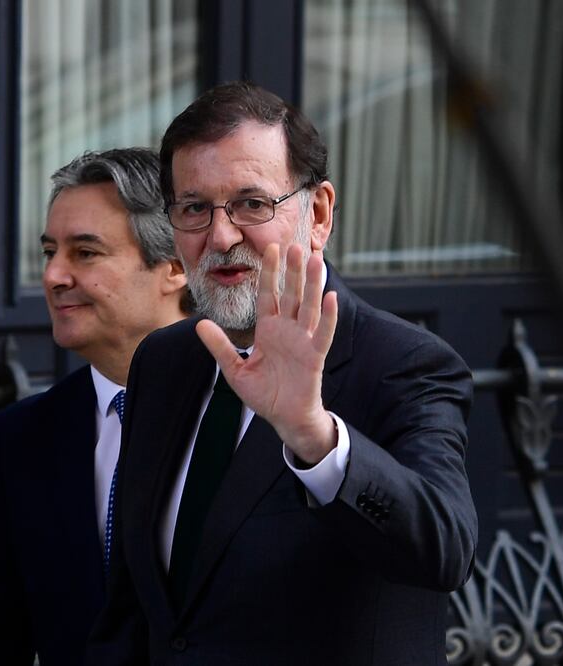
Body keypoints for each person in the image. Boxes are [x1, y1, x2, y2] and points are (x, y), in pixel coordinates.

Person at [88, 83, 477, 665]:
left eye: (252, 204)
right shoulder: (166, 361)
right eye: (194, 208)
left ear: (317, 214)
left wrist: (315, 438)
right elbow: (134, 607)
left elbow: (443, 550)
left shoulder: (402, 363)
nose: (221, 236)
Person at [0, 148, 189, 665]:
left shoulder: (248, 418)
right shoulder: (23, 437)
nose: (53, 275)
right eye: (50, 251)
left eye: (85, 253)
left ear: (175, 266)